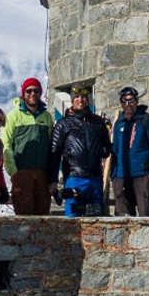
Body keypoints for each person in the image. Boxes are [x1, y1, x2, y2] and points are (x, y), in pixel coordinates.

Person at [50, 86, 112, 217]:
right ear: (72, 100)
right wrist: (53, 181)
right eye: (76, 97)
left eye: (83, 97)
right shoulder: (63, 124)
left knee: (96, 219)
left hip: (95, 177)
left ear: (88, 99)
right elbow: (54, 154)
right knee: (73, 219)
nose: (80, 100)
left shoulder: (98, 122)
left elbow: (107, 147)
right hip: (74, 177)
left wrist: (102, 150)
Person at [3, 78, 56, 215]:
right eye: (29, 91)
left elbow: (51, 146)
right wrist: (13, 171)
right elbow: (6, 145)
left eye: (36, 91)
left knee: (43, 214)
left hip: (42, 174)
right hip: (21, 173)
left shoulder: (46, 117)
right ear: (23, 94)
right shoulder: (13, 116)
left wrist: (51, 175)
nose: (32, 94)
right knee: (23, 215)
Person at [108, 86, 149, 216]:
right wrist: (113, 174)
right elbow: (114, 148)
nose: (128, 104)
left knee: (146, 215)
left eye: (131, 100)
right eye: (124, 101)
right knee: (123, 217)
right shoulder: (118, 122)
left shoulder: (146, 120)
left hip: (142, 175)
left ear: (136, 101)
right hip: (120, 176)